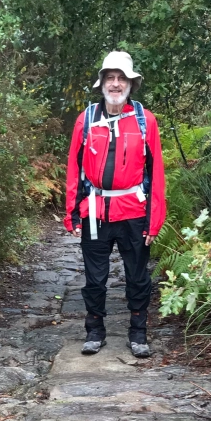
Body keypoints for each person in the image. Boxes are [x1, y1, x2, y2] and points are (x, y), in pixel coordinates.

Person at [64, 51, 166, 357]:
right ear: (102, 83)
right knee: (95, 278)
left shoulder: (145, 121)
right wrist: (72, 213)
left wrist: (154, 219)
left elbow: (156, 172)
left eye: (122, 78)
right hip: (95, 212)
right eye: (111, 77)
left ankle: (138, 333)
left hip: (134, 212)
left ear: (131, 84)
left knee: (138, 276)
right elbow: (74, 168)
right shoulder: (86, 120)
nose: (116, 84)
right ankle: (94, 331)